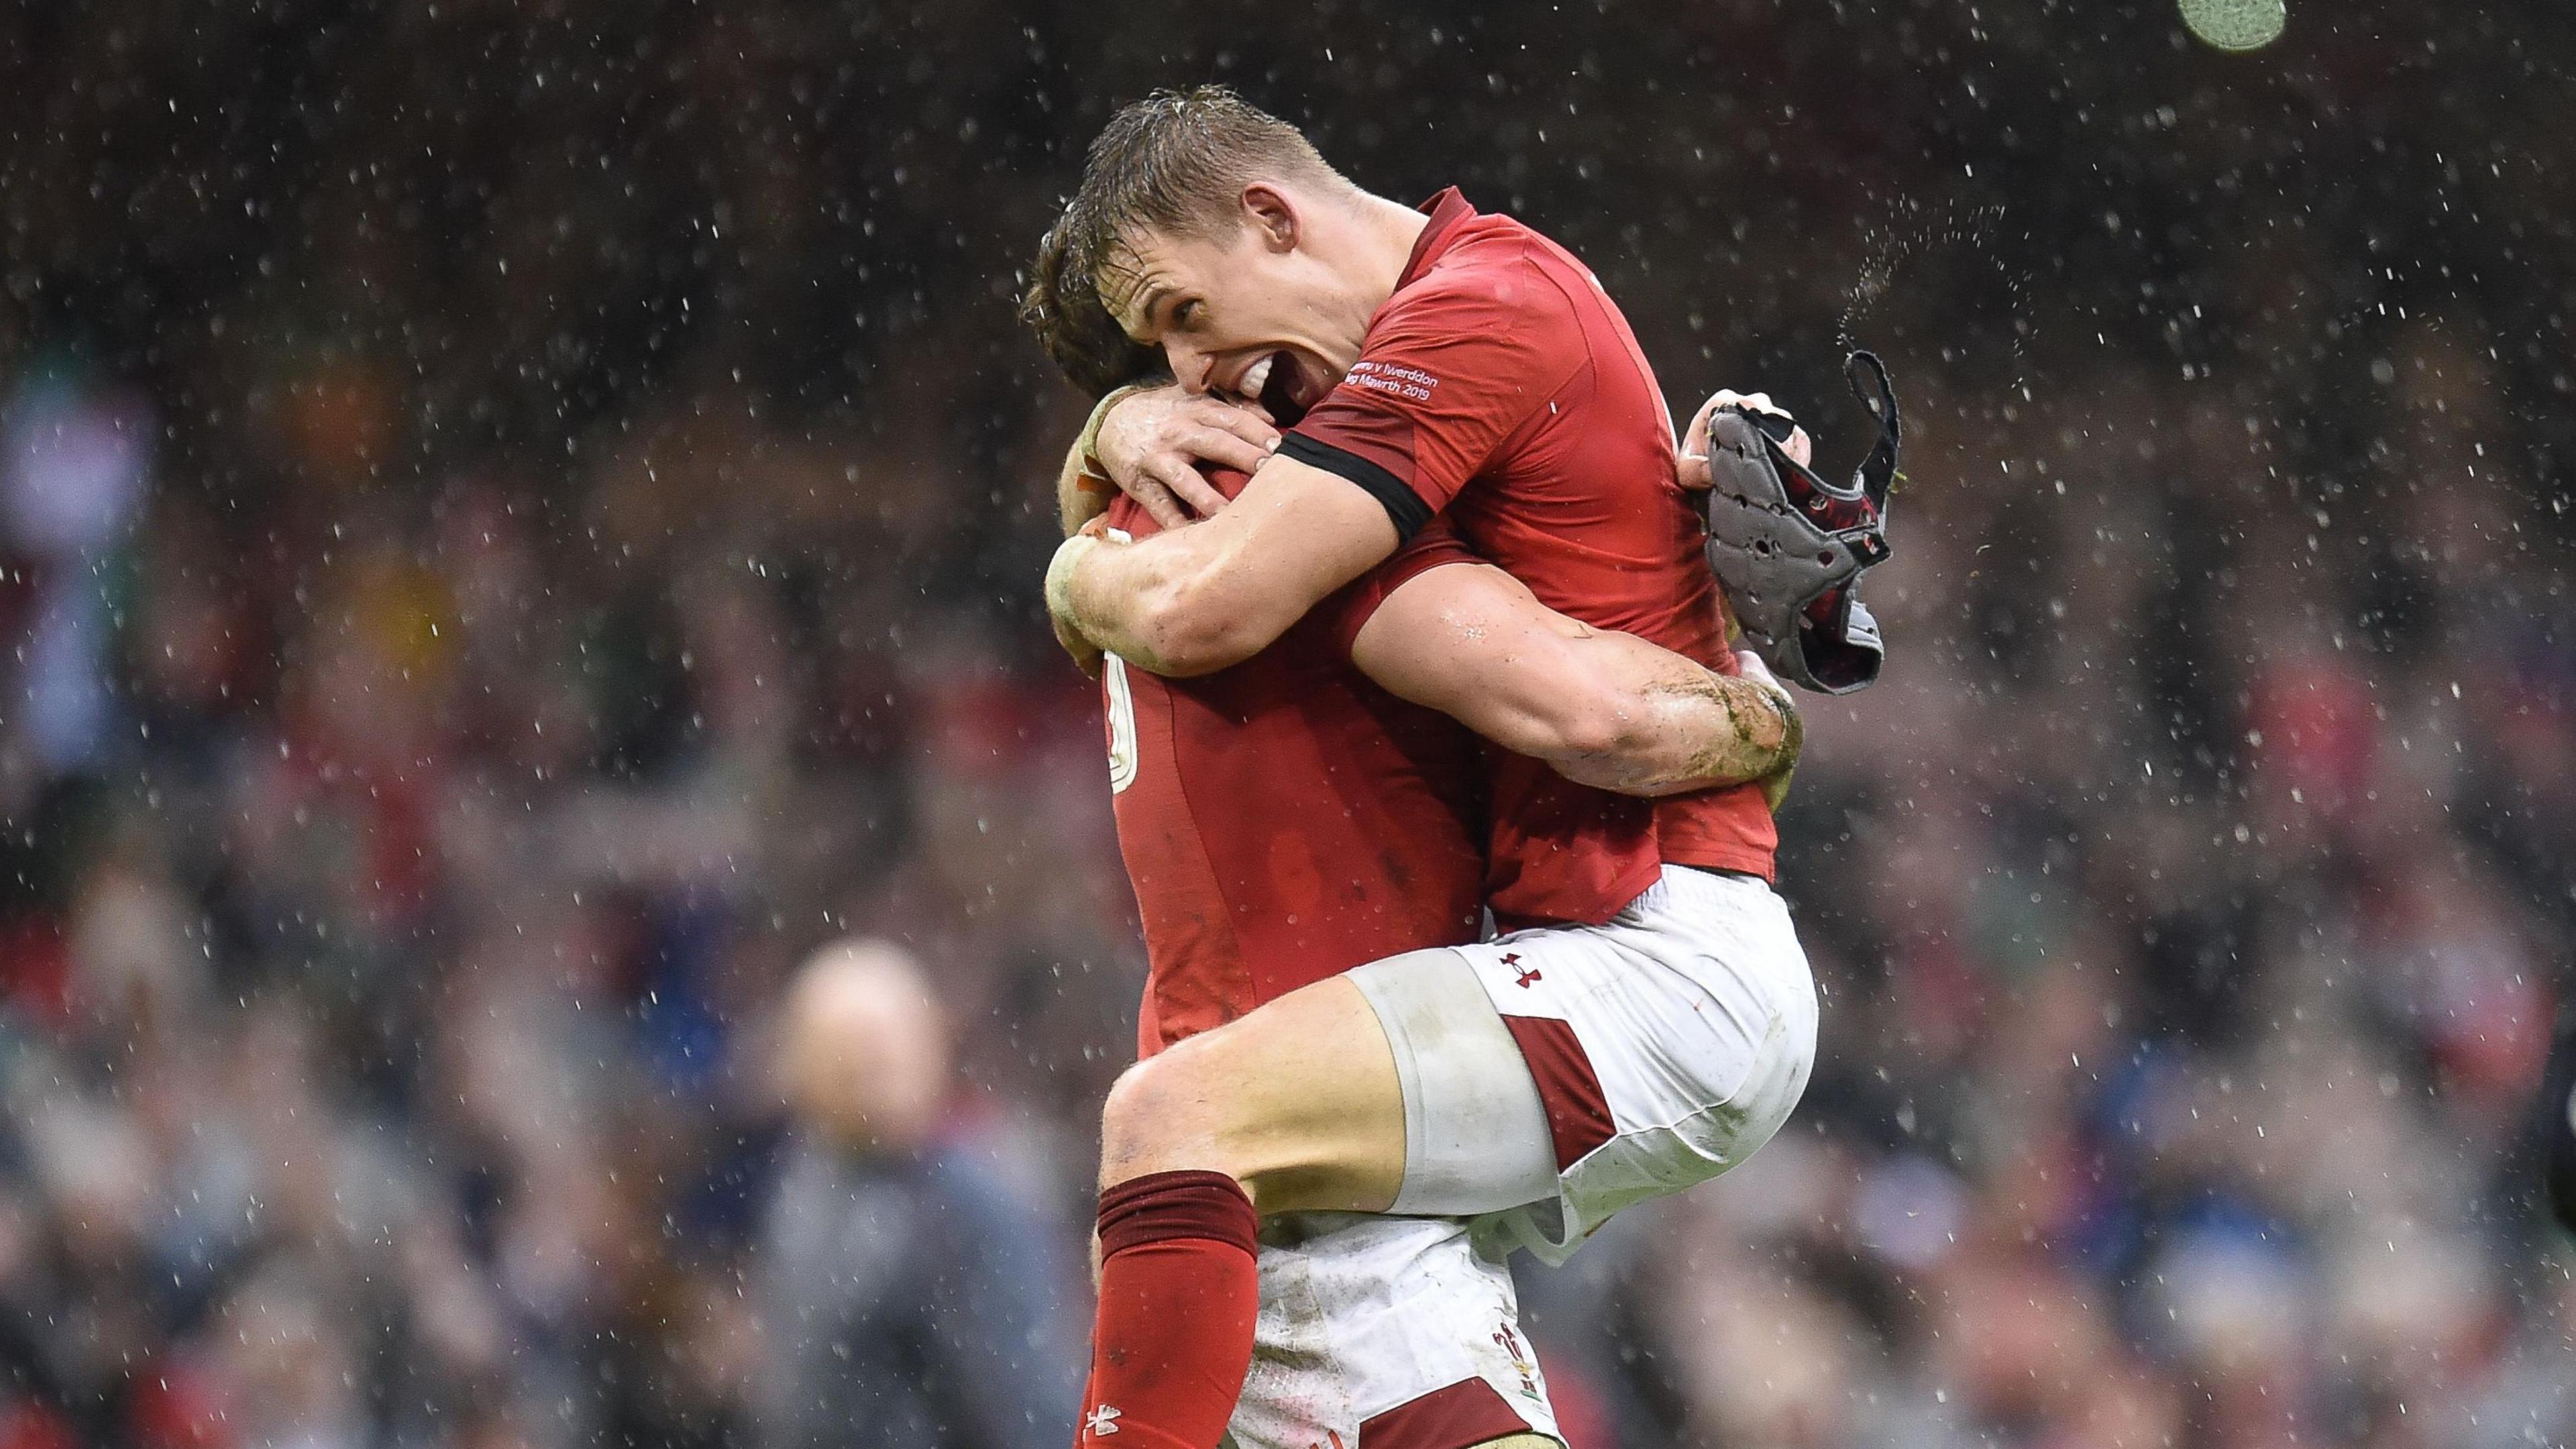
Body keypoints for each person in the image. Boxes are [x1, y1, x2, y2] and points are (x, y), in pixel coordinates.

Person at [1025, 88, 1827, 1449]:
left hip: (1649, 955)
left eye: (1182, 320)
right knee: (1297, 1262)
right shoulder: (1376, 396)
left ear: (1272, 220)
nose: (1194, 380)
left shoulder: (1471, 316)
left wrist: (1072, 559)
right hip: (1553, 966)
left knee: (1178, 1120)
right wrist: (1102, 446)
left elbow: (1212, 606)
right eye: (1153, 357)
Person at [755, 940, 1083, 1449]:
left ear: (934, 1045)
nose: (868, 1067)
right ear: (798, 1063)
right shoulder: (804, 1185)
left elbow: (1024, 1402)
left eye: (883, 1043)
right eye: (846, 1047)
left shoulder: (974, 1204)